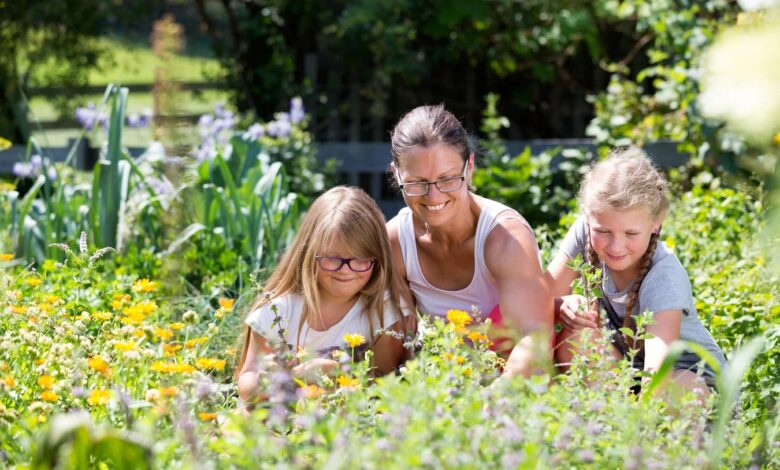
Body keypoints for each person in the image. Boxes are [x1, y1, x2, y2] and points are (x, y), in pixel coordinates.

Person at [386, 104, 553, 377]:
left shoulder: (506, 239)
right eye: (417, 182)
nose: (434, 196)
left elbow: (534, 342)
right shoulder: (396, 241)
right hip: (443, 379)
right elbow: (394, 341)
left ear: (470, 166)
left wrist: (493, 398)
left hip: (509, 380)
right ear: (397, 173)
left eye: (447, 179)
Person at [546, 147, 726, 395]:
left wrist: (639, 414)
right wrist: (562, 305)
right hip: (629, 375)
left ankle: (625, 416)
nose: (615, 246)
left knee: (673, 390)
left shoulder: (664, 276)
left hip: (689, 384)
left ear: (656, 223)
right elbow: (537, 302)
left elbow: (657, 374)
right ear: (587, 217)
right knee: (575, 338)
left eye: (631, 233)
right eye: (603, 232)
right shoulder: (585, 231)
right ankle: (608, 413)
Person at [236, 186, 413, 411]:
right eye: (332, 258)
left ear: (378, 258)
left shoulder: (382, 311)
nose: (346, 270)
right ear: (309, 252)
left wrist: (336, 372)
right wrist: (269, 381)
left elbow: (383, 384)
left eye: (360, 259)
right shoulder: (279, 309)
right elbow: (247, 380)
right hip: (282, 415)